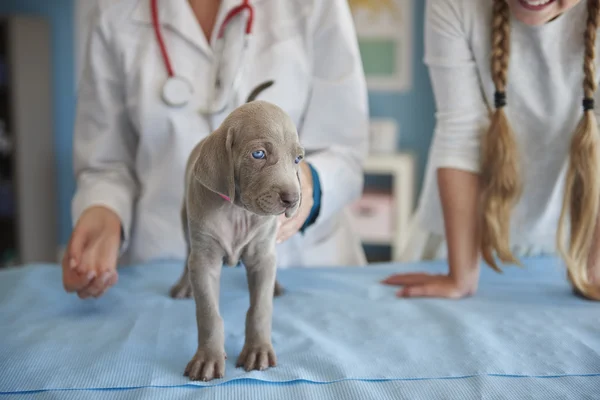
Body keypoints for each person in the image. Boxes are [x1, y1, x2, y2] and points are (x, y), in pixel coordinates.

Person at [63, 0, 369, 299]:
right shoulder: (113, 11)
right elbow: (106, 163)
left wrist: (305, 181)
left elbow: (343, 151)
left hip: (299, 265)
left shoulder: (316, 5)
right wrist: (104, 208)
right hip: (164, 266)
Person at [383, 0, 600, 300]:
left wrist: (594, 269)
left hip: (571, 240)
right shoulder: (454, 5)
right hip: (459, 237)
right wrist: (460, 277)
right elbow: (460, 134)